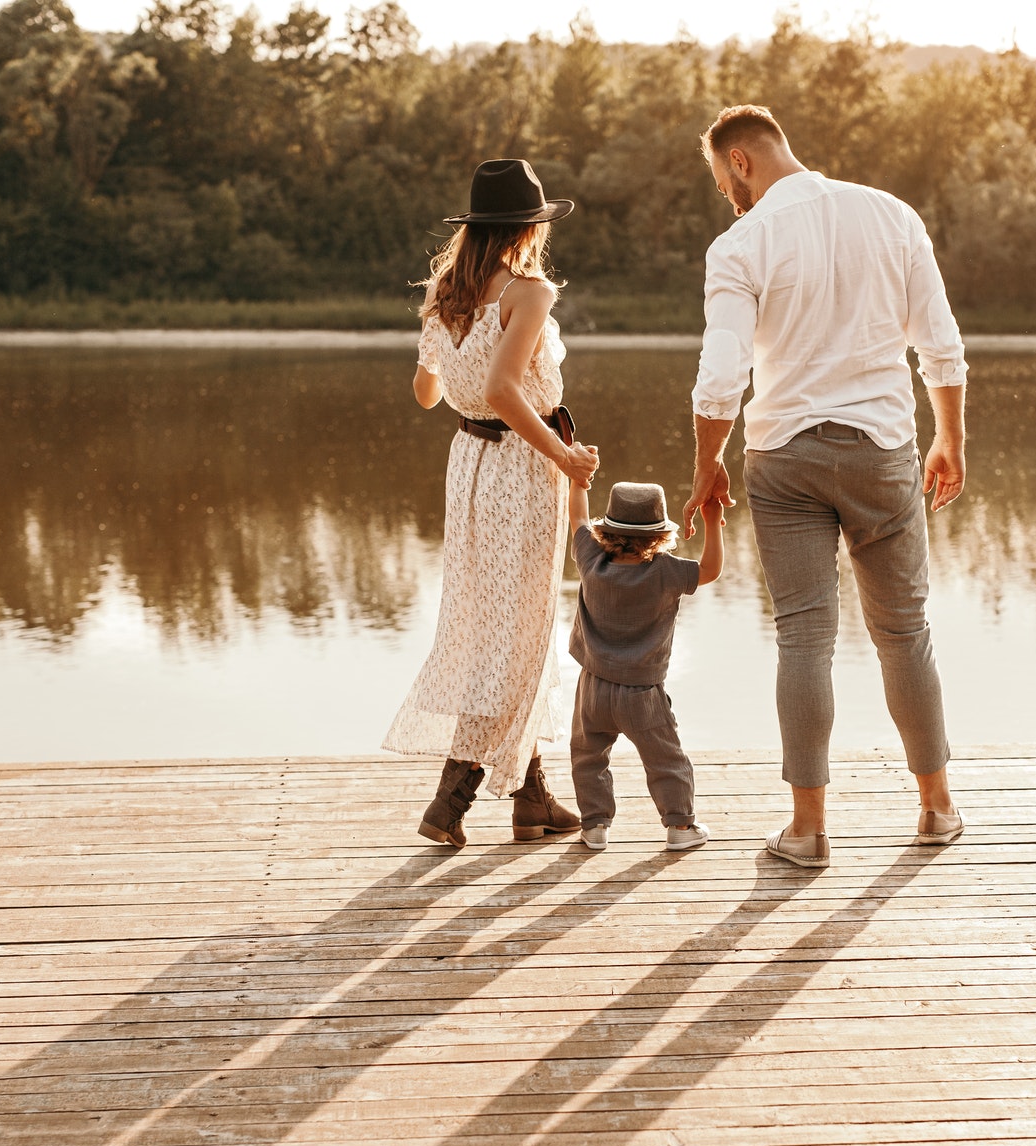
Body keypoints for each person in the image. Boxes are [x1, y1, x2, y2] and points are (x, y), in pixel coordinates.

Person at [683, 105, 968, 869]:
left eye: (721, 181)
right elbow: (939, 345)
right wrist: (951, 438)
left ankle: (807, 833)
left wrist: (707, 462)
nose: (727, 198)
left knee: (805, 635)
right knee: (904, 631)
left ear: (741, 160)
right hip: (882, 450)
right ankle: (937, 810)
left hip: (784, 460)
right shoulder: (892, 215)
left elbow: (721, 379)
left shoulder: (741, 243)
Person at [384, 158, 598, 849]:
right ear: (527, 228)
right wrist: (562, 456)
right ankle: (452, 797)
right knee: (517, 633)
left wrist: (450, 362)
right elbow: (508, 391)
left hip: (469, 463)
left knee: (505, 624)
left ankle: (532, 801)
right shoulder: (528, 293)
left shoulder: (448, 291)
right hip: (519, 466)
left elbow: (425, 391)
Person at [566, 479, 723, 853]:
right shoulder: (667, 570)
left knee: (588, 757)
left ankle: (595, 826)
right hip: (643, 693)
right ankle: (680, 826)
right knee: (666, 759)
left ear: (607, 529)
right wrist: (713, 521)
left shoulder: (591, 559)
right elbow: (711, 570)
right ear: (659, 534)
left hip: (593, 687)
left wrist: (578, 480)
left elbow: (577, 516)